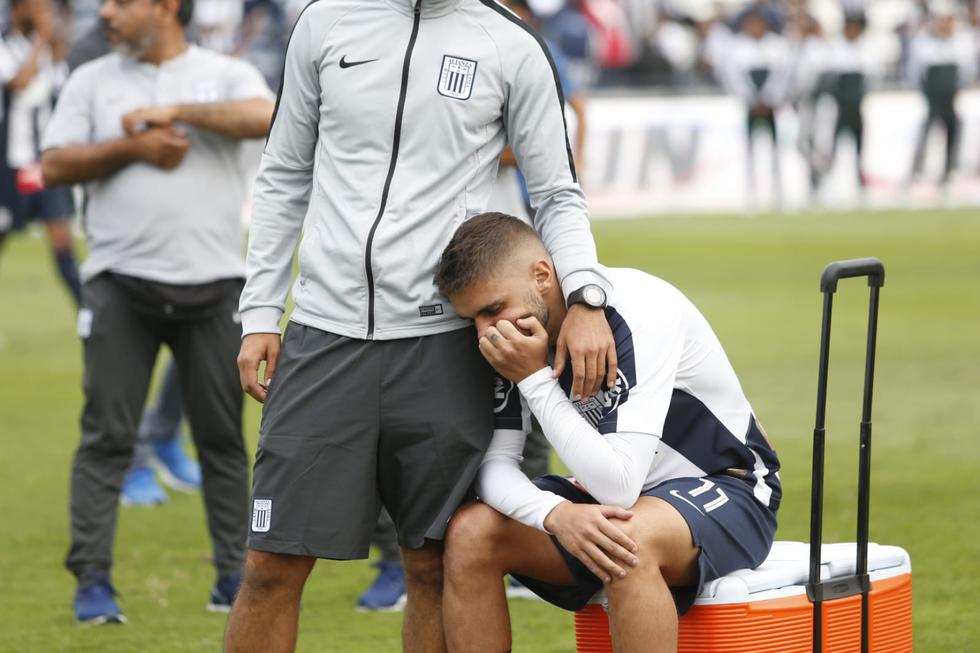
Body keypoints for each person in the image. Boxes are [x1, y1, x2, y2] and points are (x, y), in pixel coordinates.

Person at [225, 1, 617, 651]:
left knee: (434, 565)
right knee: (271, 563)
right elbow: (284, 171)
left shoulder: (512, 44)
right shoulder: (325, 21)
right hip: (325, 335)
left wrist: (587, 296)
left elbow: (556, 193)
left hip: (448, 348)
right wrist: (261, 310)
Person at [436, 213, 781, 653]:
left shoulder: (639, 307)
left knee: (626, 542)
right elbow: (494, 466)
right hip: (626, 497)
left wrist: (534, 379)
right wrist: (553, 514)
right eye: (473, 320)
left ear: (542, 275)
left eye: (492, 309)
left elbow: (618, 487)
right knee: (471, 533)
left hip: (730, 487)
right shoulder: (512, 333)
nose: (487, 333)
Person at [39, 0, 274, 624]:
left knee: (223, 441)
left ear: (167, 7)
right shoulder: (92, 78)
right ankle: (92, 581)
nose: (107, 13)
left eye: (121, 2)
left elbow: (266, 115)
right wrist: (133, 149)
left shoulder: (222, 73)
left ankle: (232, 578)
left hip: (216, 285)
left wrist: (175, 113)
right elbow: (55, 163)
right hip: (120, 283)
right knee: (107, 439)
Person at [0, 0, 81, 308]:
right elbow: (19, 82)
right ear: (19, 8)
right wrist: (42, 41)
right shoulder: (6, 46)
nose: (44, 12)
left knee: (63, 247)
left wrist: (52, 39)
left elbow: (61, 81)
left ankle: (90, 319)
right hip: (11, 165)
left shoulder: (49, 51)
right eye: (37, 6)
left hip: (45, 165)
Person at [718, 7, 792, 205]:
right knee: (749, 148)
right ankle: (751, 191)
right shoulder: (738, 46)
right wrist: (750, 98)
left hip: (770, 105)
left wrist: (769, 97)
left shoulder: (777, 45)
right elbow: (732, 75)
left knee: (775, 147)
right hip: (751, 105)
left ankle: (778, 190)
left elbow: (783, 75)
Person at [908, 5, 975, 187]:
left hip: (950, 99)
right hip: (933, 99)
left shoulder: (961, 43)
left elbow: (965, 71)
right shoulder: (924, 43)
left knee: (953, 132)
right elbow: (916, 73)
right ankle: (916, 173)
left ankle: (948, 172)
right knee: (926, 133)